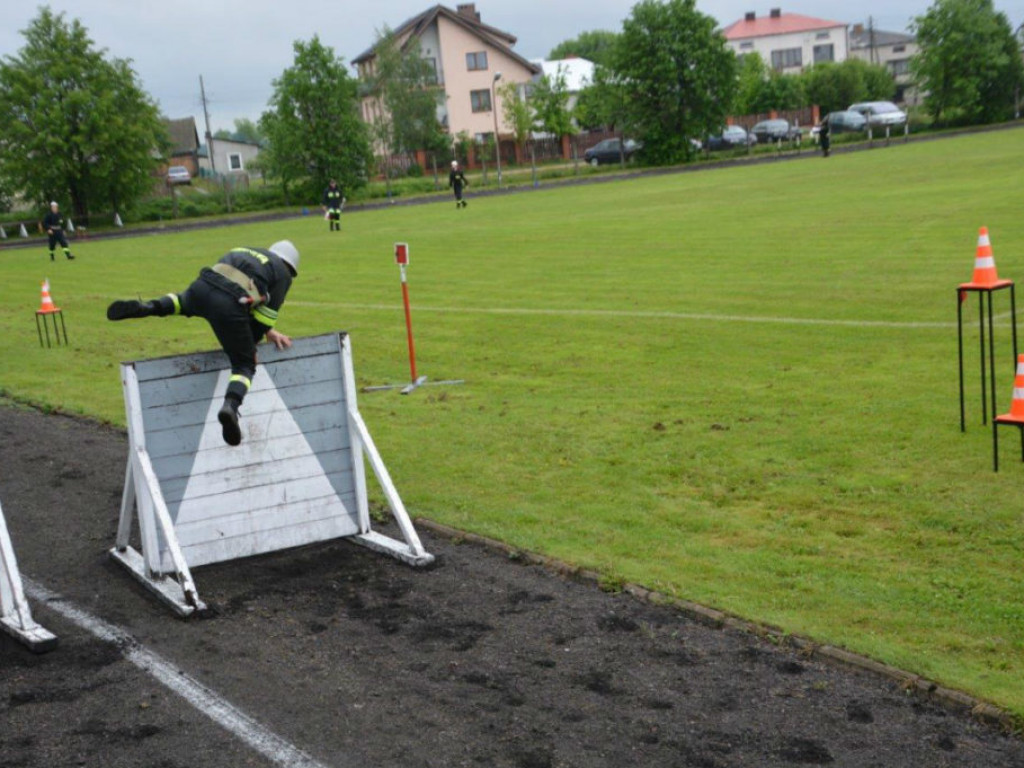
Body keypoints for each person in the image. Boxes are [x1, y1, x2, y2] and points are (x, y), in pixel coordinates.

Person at [106, 241, 299, 447]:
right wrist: (249, 345)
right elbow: (262, 320)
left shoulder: (248, 250)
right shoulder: (282, 274)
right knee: (244, 365)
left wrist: (269, 332)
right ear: (290, 267)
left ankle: (148, 307)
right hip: (229, 303)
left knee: (181, 303)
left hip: (202, 287)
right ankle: (230, 408)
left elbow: (239, 289)